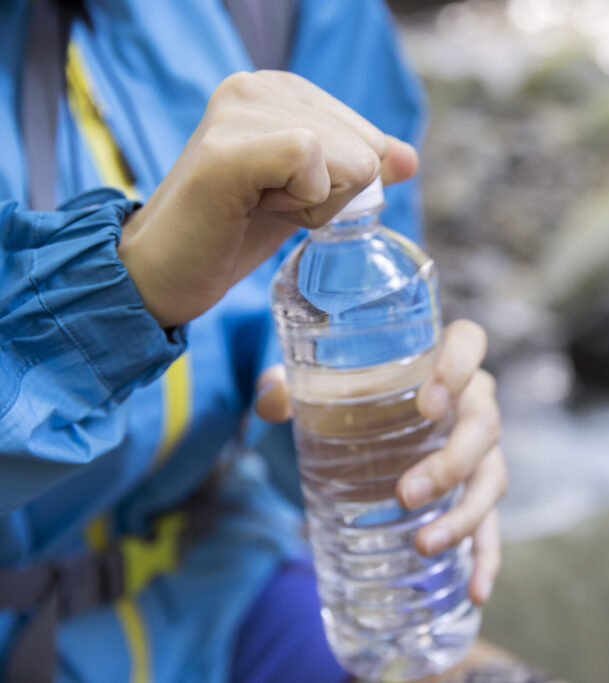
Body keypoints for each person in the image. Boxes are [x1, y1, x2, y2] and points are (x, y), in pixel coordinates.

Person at [0, 1, 508, 681]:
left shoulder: (285, 9)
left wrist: (397, 419)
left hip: (227, 578)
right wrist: (125, 293)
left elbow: (337, 272)